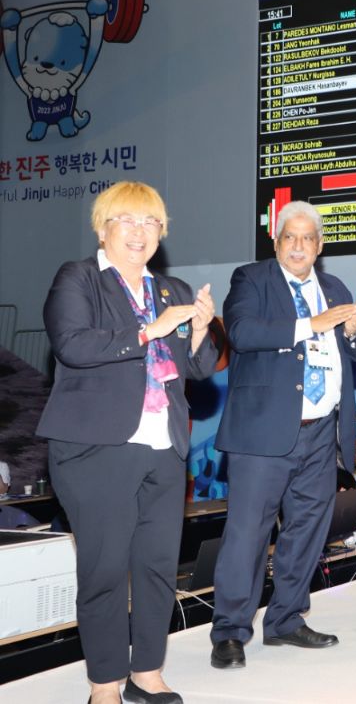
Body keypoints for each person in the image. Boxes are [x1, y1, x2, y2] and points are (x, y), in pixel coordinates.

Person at [38, 181, 217, 704]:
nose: (141, 232)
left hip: (165, 446)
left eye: (151, 222)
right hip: (96, 447)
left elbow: (198, 368)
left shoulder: (173, 289)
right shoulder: (78, 278)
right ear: (103, 227)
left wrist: (200, 332)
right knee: (106, 569)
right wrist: (149, 330)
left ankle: (147, 673)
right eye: (128, 220)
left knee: (158, 565)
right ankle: (104, 683)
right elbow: (72, 345)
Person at [209, 201, 356, 669]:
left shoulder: (335, 288)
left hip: (322, 430)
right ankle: (230, 632)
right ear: (277, 241)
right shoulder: (252, 279)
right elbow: (242, 332)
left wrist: (355, 332)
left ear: (319, 246)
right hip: (262, 431)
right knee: (248, 534)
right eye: (290, 237)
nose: (299, 246)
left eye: (308, 238)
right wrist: (310, 325)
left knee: (307, 530)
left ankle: (285, 619)